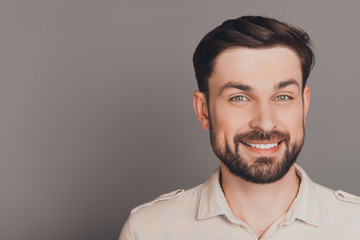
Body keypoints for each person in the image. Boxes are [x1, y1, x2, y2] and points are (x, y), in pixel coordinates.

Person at [119, 16, 360, 240]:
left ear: (304, 105)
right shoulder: (149, 230)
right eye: (239, 98)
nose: (265, 122)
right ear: (203, 110)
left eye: (283, 97)